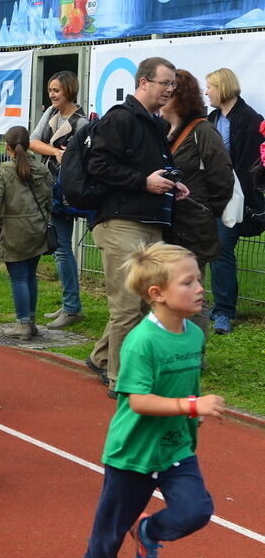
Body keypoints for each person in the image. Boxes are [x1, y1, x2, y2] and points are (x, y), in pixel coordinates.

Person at [75, 242, 224, 558]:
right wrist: (190, 405)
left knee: (196, 511)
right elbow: (138, 400)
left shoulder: (193, 333)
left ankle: (148, 532)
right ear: (157, 294)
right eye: (188, 282)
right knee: (111, 526)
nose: (199, 288)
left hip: (175, 446)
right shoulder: (141, 341)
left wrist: (194, 410)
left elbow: (186, 383)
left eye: (199, 279)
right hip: (134, 452)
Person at [85, 57, 188, 397]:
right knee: (128, 307)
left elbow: (156, 168)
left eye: (173, 84)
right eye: (165, 83)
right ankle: (121, 382)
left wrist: (173, 183)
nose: (170, 89)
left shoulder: (155, 124)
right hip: (121, 222)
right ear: (144, 82)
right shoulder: (121, 118)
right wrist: (143, 182)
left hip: (152, 221)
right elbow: (98, 165)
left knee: (144, 303)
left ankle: (101, 357)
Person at [159, 69, 234, 333]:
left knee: (191, 295)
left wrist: (203, 208)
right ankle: (170, 348)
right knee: (166, 293)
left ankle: (192, 355)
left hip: (193, 226)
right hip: (166, 225)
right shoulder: (162, 131)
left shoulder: (202, 131)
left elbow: (223, 179)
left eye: (168, 91)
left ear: (178, 97)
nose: (161, 95)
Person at [205, 68, 264, 334]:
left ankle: (224, 311)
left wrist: (225, 190)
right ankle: (218, 307)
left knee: (221, 250)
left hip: (234, 198)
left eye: (210, 86)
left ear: (223, 88)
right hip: (213, 197)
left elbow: (249, 165)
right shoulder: (213, 118)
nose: (206, 92)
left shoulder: (249, 119)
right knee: (214, 251)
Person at [29, 70, 86, 329]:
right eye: (50, 90)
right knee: (59, 247)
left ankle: (72, 307)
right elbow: (33, 141)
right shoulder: (50, 114)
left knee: (62, 248)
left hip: (66, 192)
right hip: (48, 187)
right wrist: (54, 151)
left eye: (56, 90)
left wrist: (60, 154)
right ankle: (69, 304)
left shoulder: (81, 122)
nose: (52, 94)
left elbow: (77, 157)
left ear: (69, 91)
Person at [0, 126, 53, 340]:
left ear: (7, 147)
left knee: (18, 278)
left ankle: (22, 323)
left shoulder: (4, 170)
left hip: (14, 230)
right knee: (30, 276)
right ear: (28, 145)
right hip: (37, 228)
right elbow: (48, 198)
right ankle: (30, 321)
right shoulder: (42, 169)